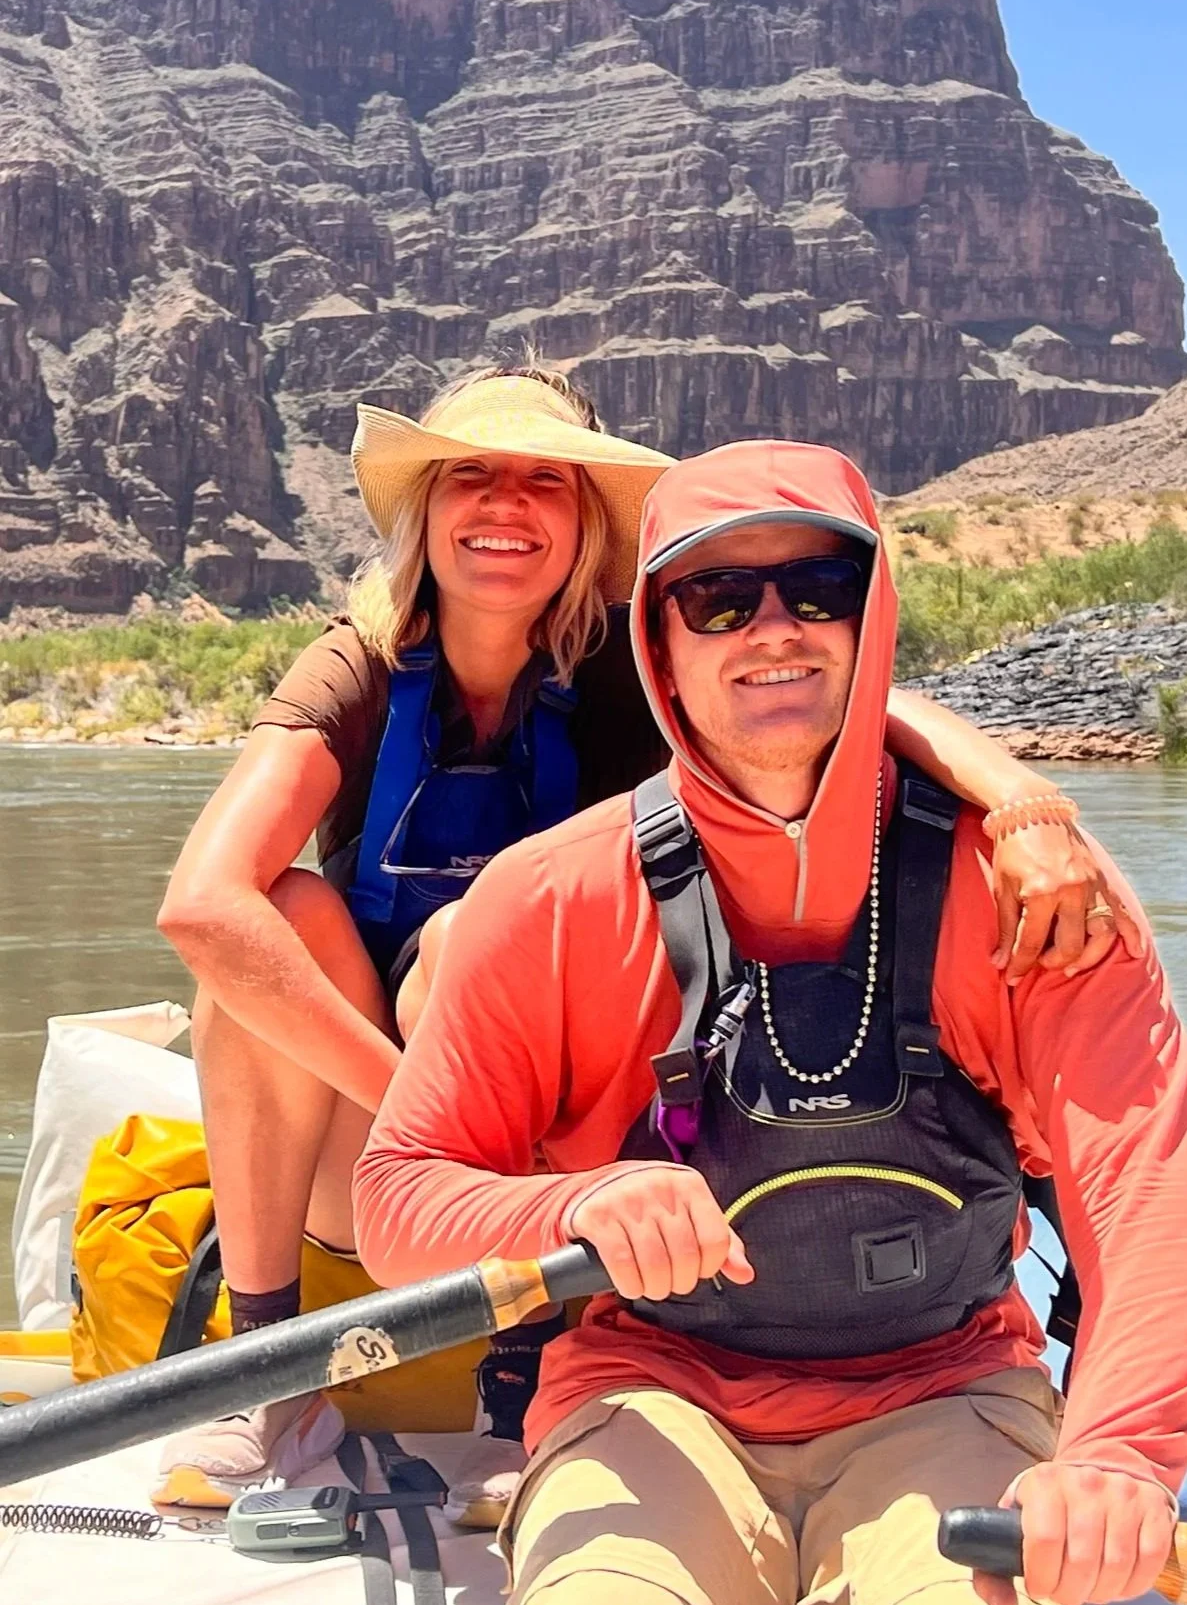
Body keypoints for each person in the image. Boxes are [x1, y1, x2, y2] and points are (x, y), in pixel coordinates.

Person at [354, 438, 1187, 1605]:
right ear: (659, 642)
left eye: (816, 587)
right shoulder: (546, 898)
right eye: (718, 598)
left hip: (950, 1396)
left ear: (871, 615)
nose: (772, 628)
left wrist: (1116, 1456)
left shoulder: (1042, 897)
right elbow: (398, 1198)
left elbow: (1146, 1198)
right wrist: (576, 1203)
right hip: (649, 1398)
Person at [156, 368, 1134, 1516]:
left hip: (562, 1151)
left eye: (544, 480)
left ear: (586, 523)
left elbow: (856, 703)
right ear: (426, 511)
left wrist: (1022, 804)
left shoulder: (639, 661)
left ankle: (521, 1378)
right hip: (391, 1152)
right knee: (273, 915)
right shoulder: (357, 661)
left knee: (487, 937)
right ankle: (263, 1373)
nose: (505, 503)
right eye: (472, 475)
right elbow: (201, 902)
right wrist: (426, 1131)